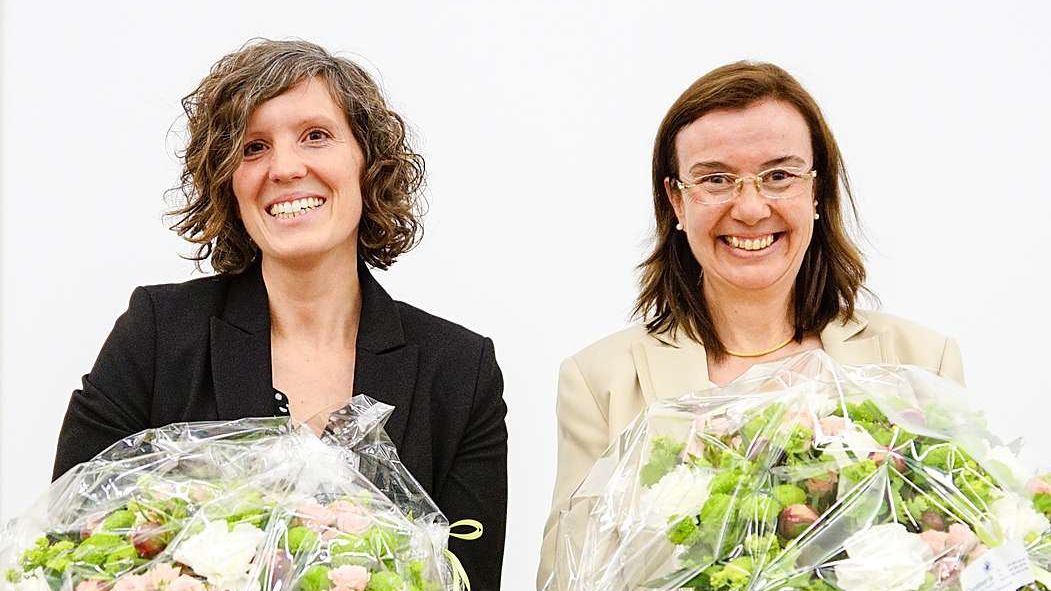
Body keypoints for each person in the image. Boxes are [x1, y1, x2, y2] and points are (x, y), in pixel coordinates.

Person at [52, 39, 507, 590]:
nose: (285, 168)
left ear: (368, 163)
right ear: (228, 183)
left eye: (316, 136)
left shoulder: (459, 371)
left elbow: (468, 580)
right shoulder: (157, 334)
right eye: (254, 147)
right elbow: (68, 549)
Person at [536, 61, 963, 587]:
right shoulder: (600, 381)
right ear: (676, 200)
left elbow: (964, 557)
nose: (751, 207)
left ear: (816, 191)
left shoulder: (921, 362)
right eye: (716, 179)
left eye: (779, 176)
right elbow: (569, 576)